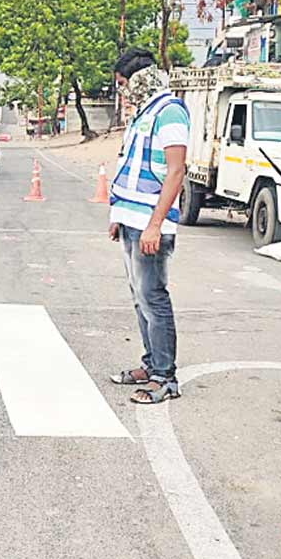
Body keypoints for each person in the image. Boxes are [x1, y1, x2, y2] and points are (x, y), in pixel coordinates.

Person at [105, 48, 189, 405]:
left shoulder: (170, 112)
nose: (122, 91)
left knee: (154, 298)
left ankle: (164, 377)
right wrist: (117, 216)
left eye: (124, 84)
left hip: (149, 224)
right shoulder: (145, 112)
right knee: (140, 299)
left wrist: (155, 225)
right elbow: (130, 165)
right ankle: (150, 362)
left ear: (139, 80)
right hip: (131, 219)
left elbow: (175, 171)